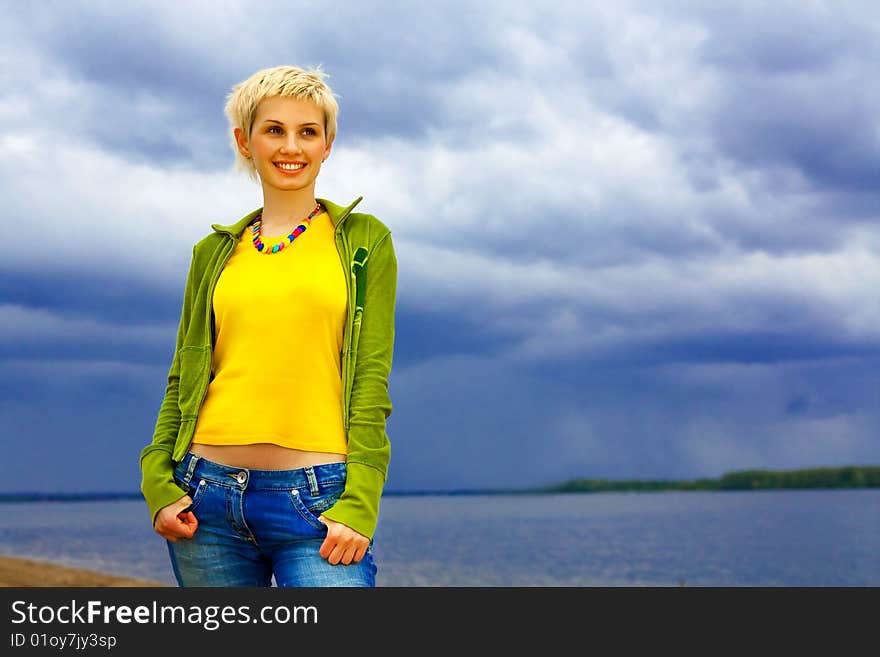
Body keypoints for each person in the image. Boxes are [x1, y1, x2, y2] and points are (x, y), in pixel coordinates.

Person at [138, 65, 397, 587]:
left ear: (328, 143)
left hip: (317, 501)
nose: (291, 146)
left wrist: (360, 503)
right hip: (203, 499)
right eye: (273, 129)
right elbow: (182, 378)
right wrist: (159, 484)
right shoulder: (212, 254)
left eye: (308, 131)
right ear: (245, 141)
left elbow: (371, 382)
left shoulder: (366, 243)